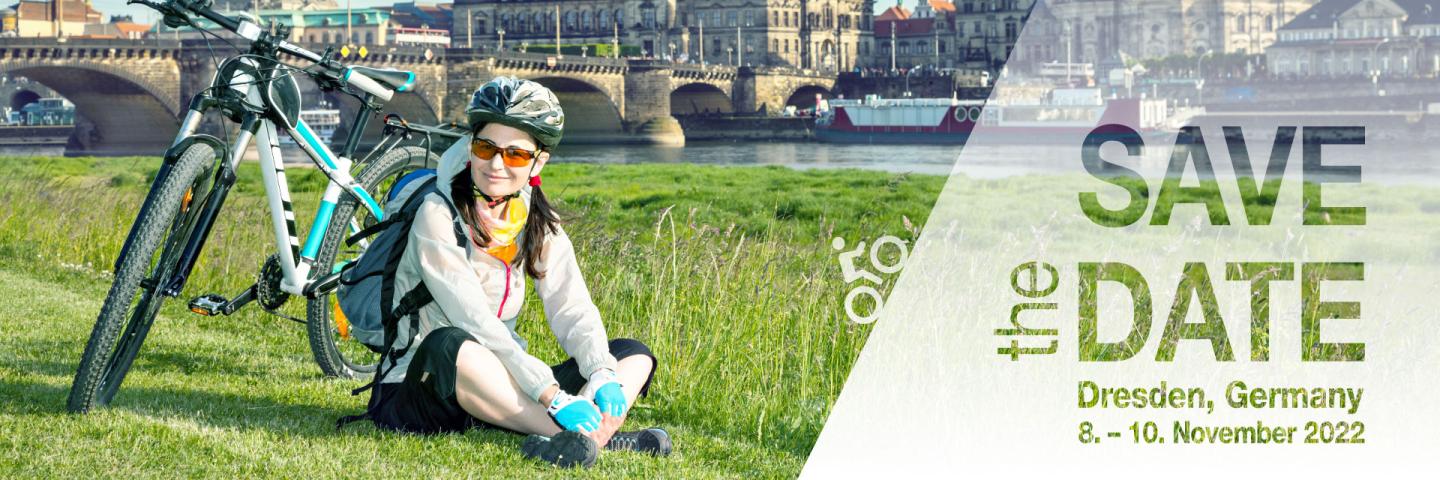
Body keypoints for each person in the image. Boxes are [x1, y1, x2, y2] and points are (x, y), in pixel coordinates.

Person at [366, 76, 670, 468]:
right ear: (471, 146)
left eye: (515, 155)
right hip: (423, 385)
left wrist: (601, 371)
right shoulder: (437, 214)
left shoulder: (536, 220)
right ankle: (581, 436)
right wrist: (551, 394)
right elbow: (473, 319)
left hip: (500, 384)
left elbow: (571, 306)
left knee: (633, 356)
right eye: (485, 147)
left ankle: (582, 437)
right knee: (453, 343)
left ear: (538, 161)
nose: (496, 164)